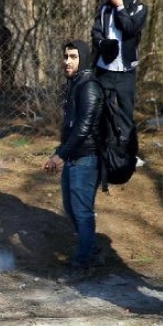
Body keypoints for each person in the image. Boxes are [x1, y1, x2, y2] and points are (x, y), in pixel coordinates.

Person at [42, 40, 104, 283]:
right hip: (73, 157)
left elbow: (83, 128)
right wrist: (59, 152)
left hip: (86, 158)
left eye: (73, 57)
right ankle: (92, 252)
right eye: (66, 56)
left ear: (84, 59)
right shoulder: (75, 84)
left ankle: (83, 264)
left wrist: (60, 156)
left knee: (82, 212)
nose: (67, 61)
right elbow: (70, 129)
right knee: (71, 208)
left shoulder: (89, 86)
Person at [91, 0, 146, 164]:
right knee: (100, 110)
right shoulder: (105, 8)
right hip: (104, 68)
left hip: (126, 71)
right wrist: (102, 44)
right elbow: (96, 31)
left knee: (125, 112)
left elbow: (130, 28)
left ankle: (129, 153)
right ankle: (101, 149)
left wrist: (121, 7)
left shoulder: (139, 8)